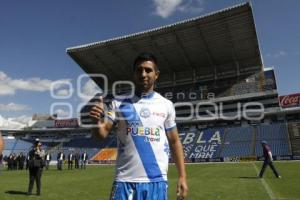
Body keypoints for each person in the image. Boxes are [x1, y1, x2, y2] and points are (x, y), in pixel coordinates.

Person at [86, 52, 188, 200]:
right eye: (139, 70)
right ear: (134, 74)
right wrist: (95, 121)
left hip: (156, 182)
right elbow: (100, 135)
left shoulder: (166, 105)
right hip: (125, 182)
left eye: (148, 70)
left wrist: (182, 176)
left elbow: (174, 141)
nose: (143, 74)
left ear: (156, 74)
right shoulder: (118, 102)